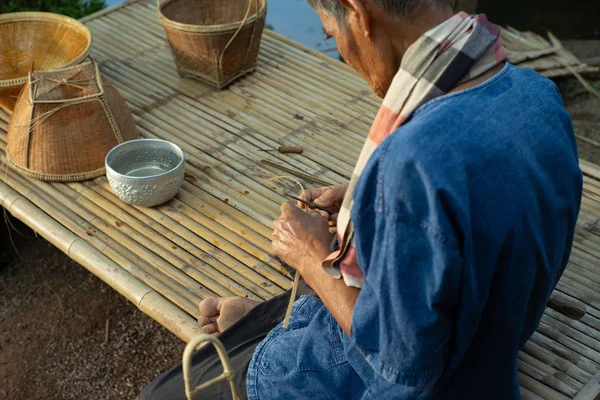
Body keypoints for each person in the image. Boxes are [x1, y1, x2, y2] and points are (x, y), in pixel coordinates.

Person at [140, 0, 583, 398]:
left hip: (432, 380)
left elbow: (404, 363)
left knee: (161, 394)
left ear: (358, 13)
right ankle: (267, 325)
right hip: (497, 331)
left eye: (332, 37)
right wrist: (368, 200)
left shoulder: (411, 162)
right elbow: (474, 215)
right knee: (319, 295)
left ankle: (270, 337)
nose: (344, 56)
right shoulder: (536, 95)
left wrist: (308, 255)